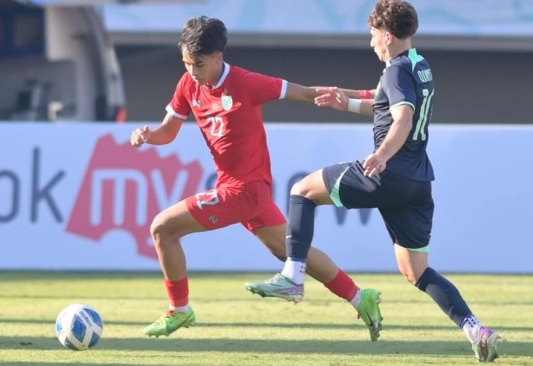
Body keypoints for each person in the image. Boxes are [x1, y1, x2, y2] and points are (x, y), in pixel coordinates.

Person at [244, 0, 501, 362]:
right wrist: (344, 103)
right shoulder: (418, 65)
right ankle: (476, 329)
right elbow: (385, 104)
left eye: (373, 35)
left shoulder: (396, 70)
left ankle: (293, 276)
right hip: (417, 183)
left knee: (301, 190)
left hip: (388, 173)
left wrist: (381, 155)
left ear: (389, 36)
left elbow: (402, 120)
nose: (371, 43)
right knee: (416, 271)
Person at [130, 16, 382, 339]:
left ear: (218, 57)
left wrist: (366, 96)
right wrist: (148, 135)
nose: (192, 71)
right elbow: (169, 130)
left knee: (162, 228)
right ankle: (362, 298)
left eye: (198, 64)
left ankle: (180, 310)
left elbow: (307, 94)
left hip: (245, 191)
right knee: (291, 252)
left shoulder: (246, 83)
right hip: (243, 191)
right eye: (186, 62)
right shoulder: (188, 84)